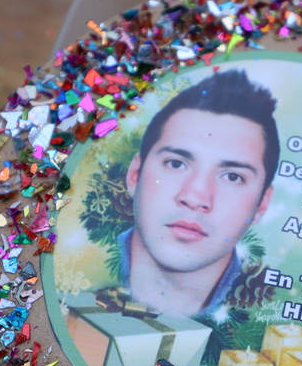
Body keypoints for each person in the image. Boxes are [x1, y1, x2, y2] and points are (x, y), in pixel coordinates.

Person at [118, 69, 281, 317]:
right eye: (176, 164)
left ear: (261, 205)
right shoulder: (83, 265)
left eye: (233, 177)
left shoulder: (261, 318)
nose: (195, 198)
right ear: (135, 174)